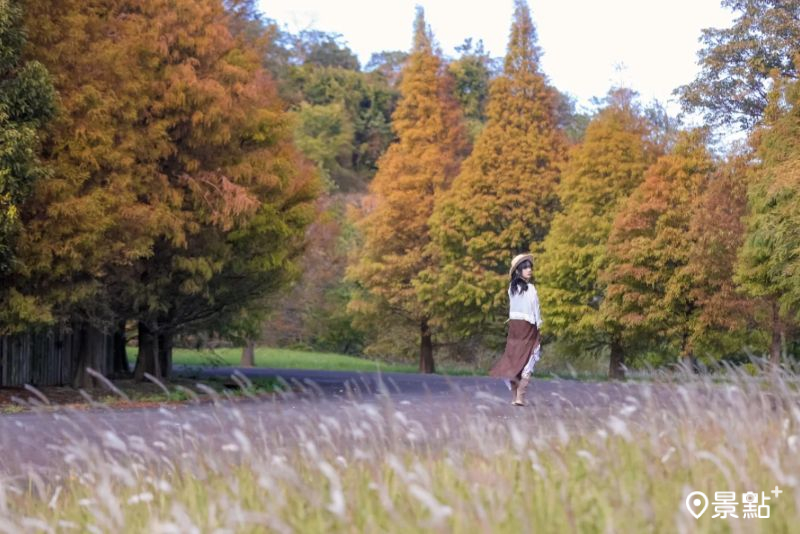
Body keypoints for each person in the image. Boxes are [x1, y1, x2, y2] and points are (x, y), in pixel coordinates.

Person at [489, 253, 542, 406]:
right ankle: (519, 397)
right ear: (518, 270)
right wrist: (539, 327)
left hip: (514, 330)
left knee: (514, 361)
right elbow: (536, 311)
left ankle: (515, 397)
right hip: (527, 330)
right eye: (525, 267)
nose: (529, 270)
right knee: (529, 359)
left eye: (530, 267)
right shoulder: (531, 289)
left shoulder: (511, 289)